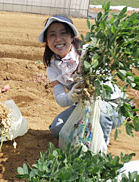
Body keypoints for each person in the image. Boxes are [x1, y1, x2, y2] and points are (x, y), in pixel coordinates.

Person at [38, 15, 124, 145]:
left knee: (99, 113)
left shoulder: (88, 53)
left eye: (63, 33)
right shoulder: (52, 67)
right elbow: (61, 99)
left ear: (72, 37)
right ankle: (86, 132)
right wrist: (72, 96)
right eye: (52, 35)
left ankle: (101, 143)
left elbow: (105, 86)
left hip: (110, 106)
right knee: (57, 128)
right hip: (84, 106)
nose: (58, 39)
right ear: (46, 40)